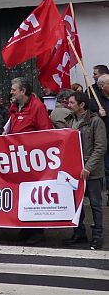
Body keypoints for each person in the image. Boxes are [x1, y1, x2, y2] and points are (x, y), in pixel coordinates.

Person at [6, 78, 51, 245]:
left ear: (23, 91)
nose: (11, 92)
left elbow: (45, 132)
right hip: (18, 158)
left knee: (34, 194)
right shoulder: (14, 108)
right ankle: (26, 227)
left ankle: (37, 231)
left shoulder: (37, 107)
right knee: (22, 194)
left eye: (14, 90)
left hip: (32, 159)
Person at [62, 91, 106, 250]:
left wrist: (88, 167)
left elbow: (100, 147)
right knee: (76, 203)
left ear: (82, 105)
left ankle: (97, 235)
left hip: (91, 170)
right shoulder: (69, 120)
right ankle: (79, 233)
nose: (68, 105)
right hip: (74, 169)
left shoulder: (95, 121)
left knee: (95, 204)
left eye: (72, 103)